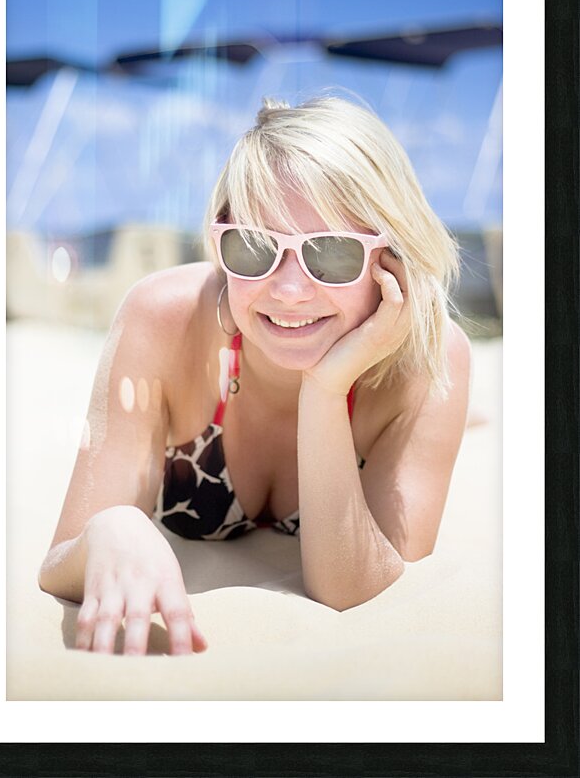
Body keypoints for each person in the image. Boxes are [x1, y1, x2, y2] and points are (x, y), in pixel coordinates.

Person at [39, 94, 471, 657]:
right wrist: (109, 530)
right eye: (253, 247)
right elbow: (59, 562)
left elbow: (352, 590)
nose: (289, 291)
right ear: (219, 244)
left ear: (394, 260)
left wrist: (325, 389)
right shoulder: (163, 318)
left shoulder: (430, 364)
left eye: (333, 254)